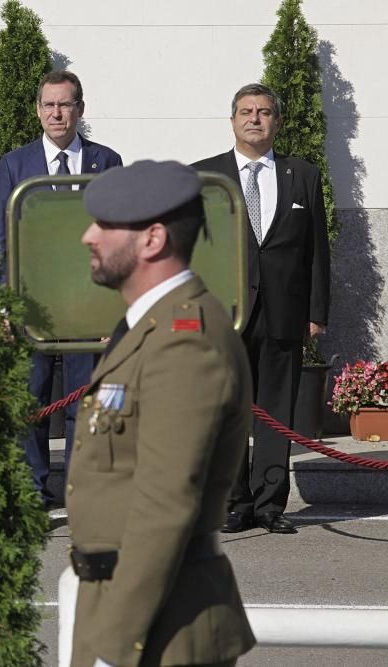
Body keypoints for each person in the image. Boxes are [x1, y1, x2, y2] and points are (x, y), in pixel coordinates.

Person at [67, 160, 255, 667]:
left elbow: (165, 505)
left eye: (105, 225)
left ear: (152, 240)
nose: (89, 236)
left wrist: (114, 647)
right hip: (126, 609)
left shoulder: (184, 343)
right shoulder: (148, 327)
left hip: (160, 629)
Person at [192, 83, 330, 535]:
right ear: (232, 120)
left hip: (284, 313)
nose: (255, 118)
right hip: (223, 314)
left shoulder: (303, 176)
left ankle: (271, 504)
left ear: (277, 121)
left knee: (276, 412)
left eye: (264, 111)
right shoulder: (203, 177)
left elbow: (316, 251)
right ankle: (235, 502)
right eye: (246, 111)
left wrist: (317, 311)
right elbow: (189, 250)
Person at [0, 70, 122, 507]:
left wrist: (113, 310)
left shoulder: (108, 161)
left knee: (83, 401)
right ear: (38, 110)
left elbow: (119, 237)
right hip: (32, 304)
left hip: (88, 303)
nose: (57, 113)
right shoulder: (14, 164)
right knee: (32, 399)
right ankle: (33, 490)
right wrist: (5, 306)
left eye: (65, 104)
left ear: (80, 109)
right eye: (49, 104)